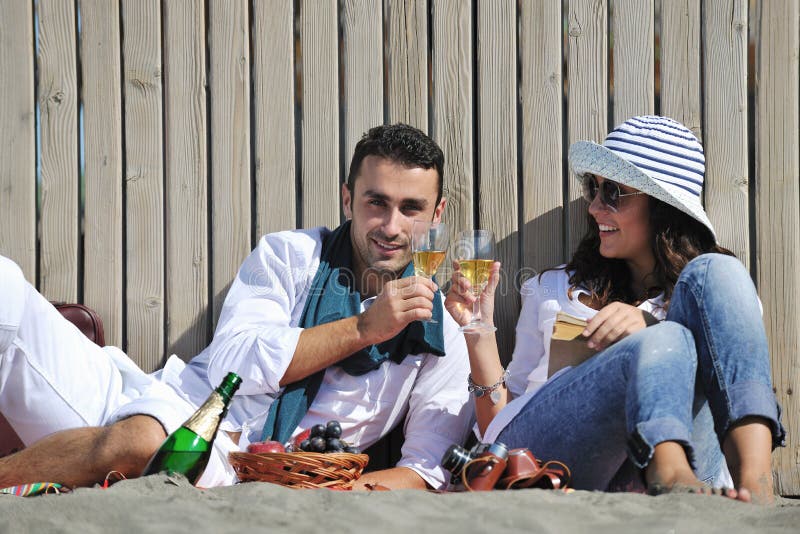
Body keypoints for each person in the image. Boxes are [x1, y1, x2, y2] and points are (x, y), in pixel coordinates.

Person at [0, 123, 472, 490]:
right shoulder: (291, 256)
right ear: (348, 200)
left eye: (411, 208)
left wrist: (330, 493)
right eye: (377, 202)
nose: (391, 226)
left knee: (152, 439)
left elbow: (427, 469)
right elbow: (236, 363)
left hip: (230, 460)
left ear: (437, 215)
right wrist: (364, 327)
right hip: (144, 395)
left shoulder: (439, 332)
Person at [445, 115, 785, 503]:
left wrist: (649, 324)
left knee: (720, 271)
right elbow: (500, 429)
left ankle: (757, 483)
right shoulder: (554, 289)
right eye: (594, 188)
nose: (593, 207)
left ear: (661, 208)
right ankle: (668, 472)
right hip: (557, 458)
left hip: (698, 467)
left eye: (613, 193)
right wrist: (478, 331)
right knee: (666, 337)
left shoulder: (716, 301)